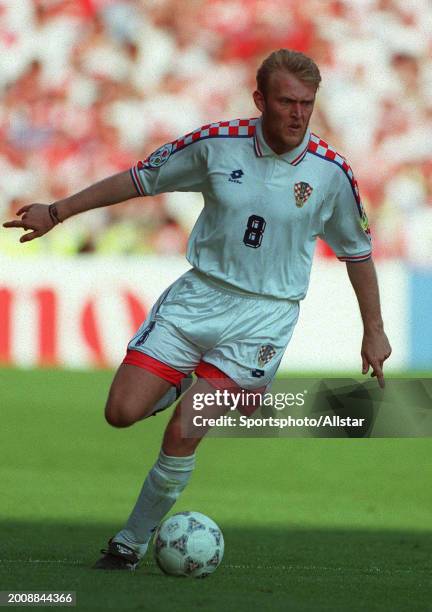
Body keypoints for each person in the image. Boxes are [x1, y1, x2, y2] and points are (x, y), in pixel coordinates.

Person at [3, 49, 392, 571]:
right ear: (260, 100)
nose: (298, 114)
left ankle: (129, 543)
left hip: (265, 316)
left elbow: (358, 253)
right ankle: (188, 381)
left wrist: (374, 331)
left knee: (186, 427)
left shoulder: (331, 173)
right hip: (198, 298)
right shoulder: (215, 145)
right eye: (286, 102)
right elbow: (139, 179)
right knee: (120, 413)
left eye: (307, 103)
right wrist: (58, 211)